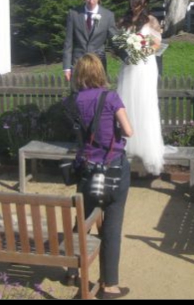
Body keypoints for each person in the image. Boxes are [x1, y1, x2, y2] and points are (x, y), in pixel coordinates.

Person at [65, 53, 132, 299]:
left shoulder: (72, 102)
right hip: (113, 168)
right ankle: (109, 285)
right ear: (100, 73)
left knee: (83, 222)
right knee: (112, 226)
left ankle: (73, 272)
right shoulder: (111, 97)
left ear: (80, 75)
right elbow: (128, 130)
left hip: (87, 169)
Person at [116, 0, 166, 176]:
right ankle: (127, 144)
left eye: (138, 2)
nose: (134, 6)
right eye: (132, 2)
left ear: (144, 3)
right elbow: (118, 42)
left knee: (145, 102)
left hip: (145, 65)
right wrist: (125, 51)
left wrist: (141, 52)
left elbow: (156, 44)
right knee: (126, 101)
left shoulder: (151, 21)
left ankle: (147, 146)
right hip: (129, 65)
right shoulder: (124, 20)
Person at [63, 0, 118, 81]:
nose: (91, 1)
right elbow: (68, 42)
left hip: (98, 64)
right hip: (78, 63)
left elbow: (114, 40)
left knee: (97, 94)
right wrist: (67, 67)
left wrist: (128, 55)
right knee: (78, 95)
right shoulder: (73, 14)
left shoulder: (108, 15)